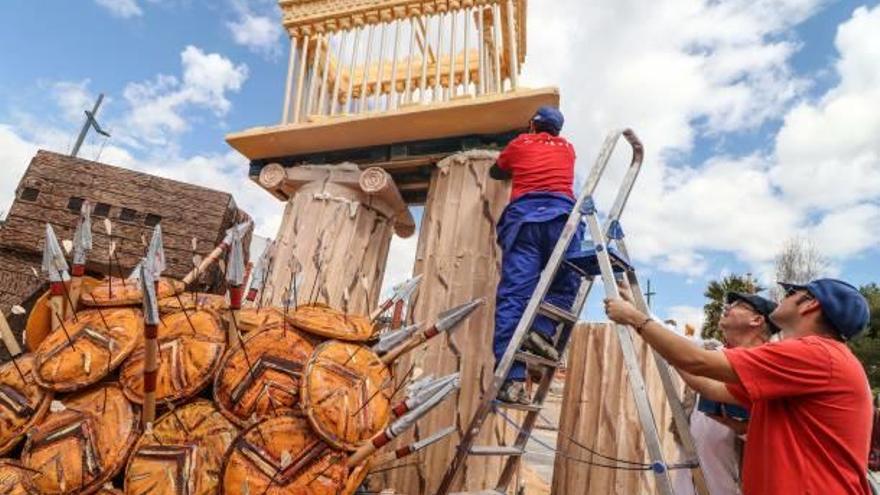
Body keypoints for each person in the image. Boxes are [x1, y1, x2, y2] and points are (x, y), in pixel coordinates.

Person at [605, 278, 872, 495]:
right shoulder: (796, 364)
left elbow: (696, 361)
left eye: (791, 292)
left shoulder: (816, 354)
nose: (783, 296)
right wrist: (665, 348)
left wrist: (637, 321)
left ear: (810, 304)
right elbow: (710, 388)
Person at [489, 105, 582, 404]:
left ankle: (510, 381)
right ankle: (541, 332)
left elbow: (496, 170)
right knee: (565, 281)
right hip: (561, 221)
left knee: (515, 297)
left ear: (532, 125)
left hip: (525, 222)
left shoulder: (520, 143)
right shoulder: (568, 149)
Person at [673, 292, 778, 495]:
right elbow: (672, 337)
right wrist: (635, 308)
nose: (727, 307)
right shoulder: (713, 352)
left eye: (738, 305)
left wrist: (743, 428)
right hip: (689, 484)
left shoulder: (770, 372)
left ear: (757, 320)